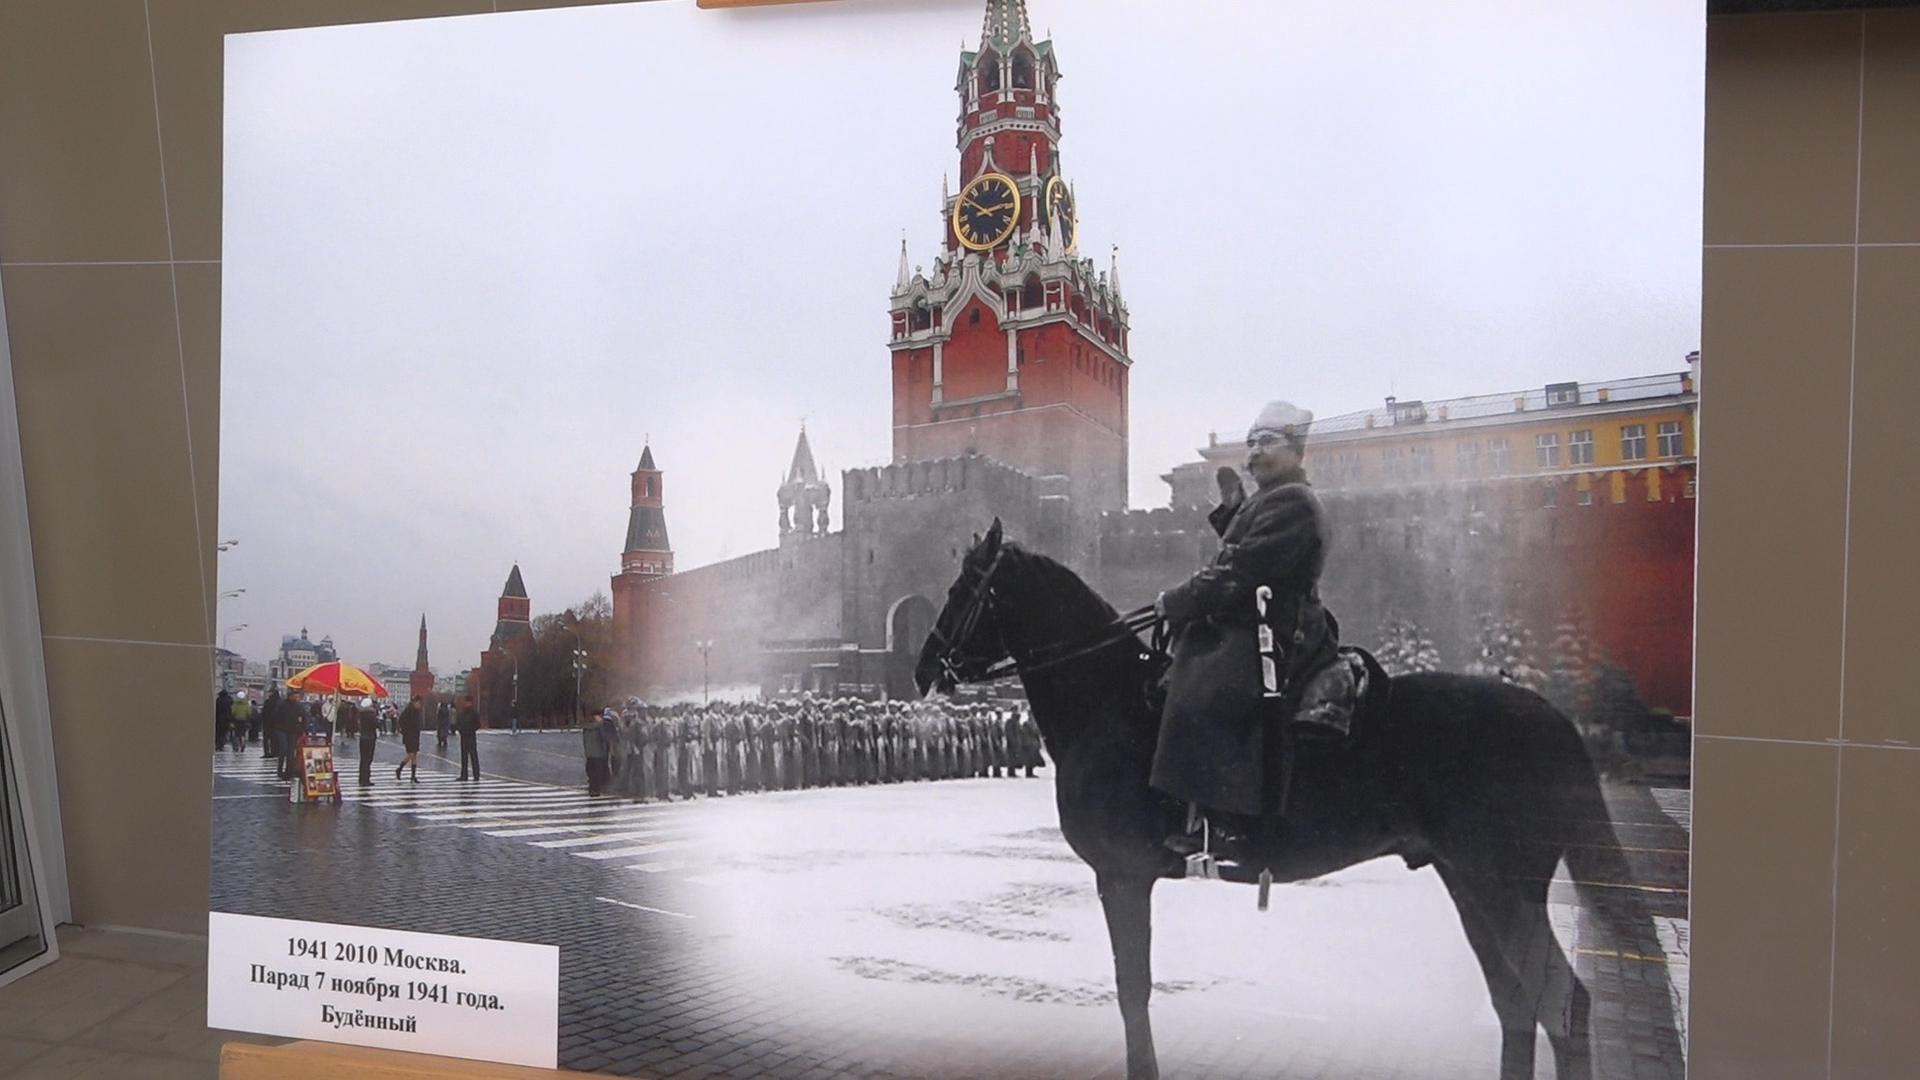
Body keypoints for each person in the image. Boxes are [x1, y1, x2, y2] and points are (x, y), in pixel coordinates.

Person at [1150, 400, 1340, 840]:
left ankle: (1223, 819)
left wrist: (1176, 601)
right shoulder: (1273, 499)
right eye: (1251, 442)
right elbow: (1246, 549)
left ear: (1296, 451)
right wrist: (1233, 513)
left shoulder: (1294, 501)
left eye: (1267, 442)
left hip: (1278, 630)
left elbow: (1241, 571)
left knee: (1204, 686)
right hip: (1256, 622)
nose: (1254, 452)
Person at [395, 695, 424, 783]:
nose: (420, 705)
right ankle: (400, 768)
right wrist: (404, 730)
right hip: (409, 735)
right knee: (411, 754)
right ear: (415, 702)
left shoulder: (416, 710)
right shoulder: (409, 710)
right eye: (419, 703)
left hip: (415, 735)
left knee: (414, 755)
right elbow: (401, 721)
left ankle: (413, 776)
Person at [582, 709, 609, 796]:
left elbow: (584, 741)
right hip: (598, 753)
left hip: (589, 753)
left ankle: (591, 789)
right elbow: (603, 739)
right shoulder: (599, 726)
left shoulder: (586, 728)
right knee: (598, 772)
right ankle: (597, 790)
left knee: (591, 772)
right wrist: (604, 751)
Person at [456, 695, 482, 781]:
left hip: (471, 736)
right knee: (464, 757)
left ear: (470, 702)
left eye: (467, 702)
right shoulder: (462, 712)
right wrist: (460, 729)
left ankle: (476, 775)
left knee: (473, 756)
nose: (465, 703)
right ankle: (464, 775)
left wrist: (471, 729)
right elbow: (458, 722)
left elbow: (478, 724)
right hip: (463, 737)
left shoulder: (474, 713)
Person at [357, 699, 379, 787]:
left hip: (363, 737)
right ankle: (366, 779)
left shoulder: (361, 714)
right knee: (368, 759)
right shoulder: (372, 714)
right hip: (370, 738)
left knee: (363, 759)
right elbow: (377, 724)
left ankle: (361, 778)